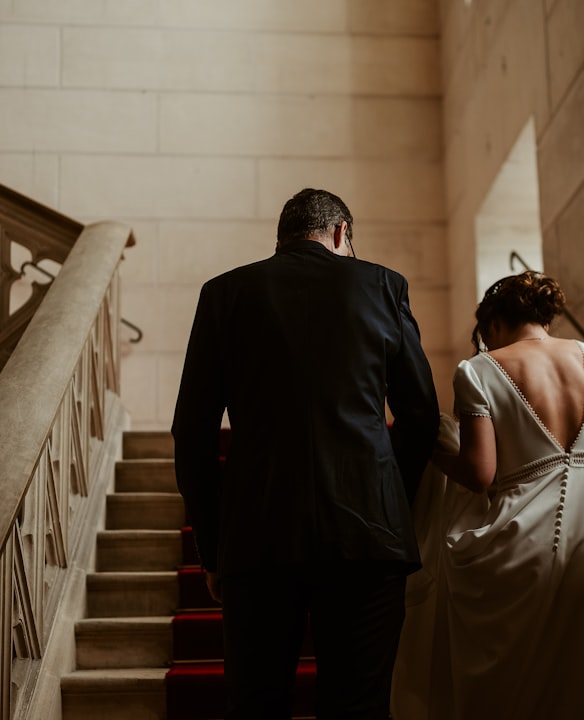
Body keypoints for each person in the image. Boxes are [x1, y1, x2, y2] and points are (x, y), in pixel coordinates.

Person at [172, 188, 440, 719]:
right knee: (359, 706)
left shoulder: (224, 293)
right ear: (342, 233)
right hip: (368, 536)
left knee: (257, 705)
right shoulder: (384, 286)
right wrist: (392, 504)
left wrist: (214, 545)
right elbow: (421, 415)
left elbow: (192, 432)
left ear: (283, 238)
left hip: (258, 536)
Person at [391, 270, 584, 719]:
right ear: (543, 318)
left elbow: (479, 473)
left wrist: (434, 449)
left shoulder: (479, 369)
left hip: (520, 546)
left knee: (517, 689)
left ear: (492, 324)